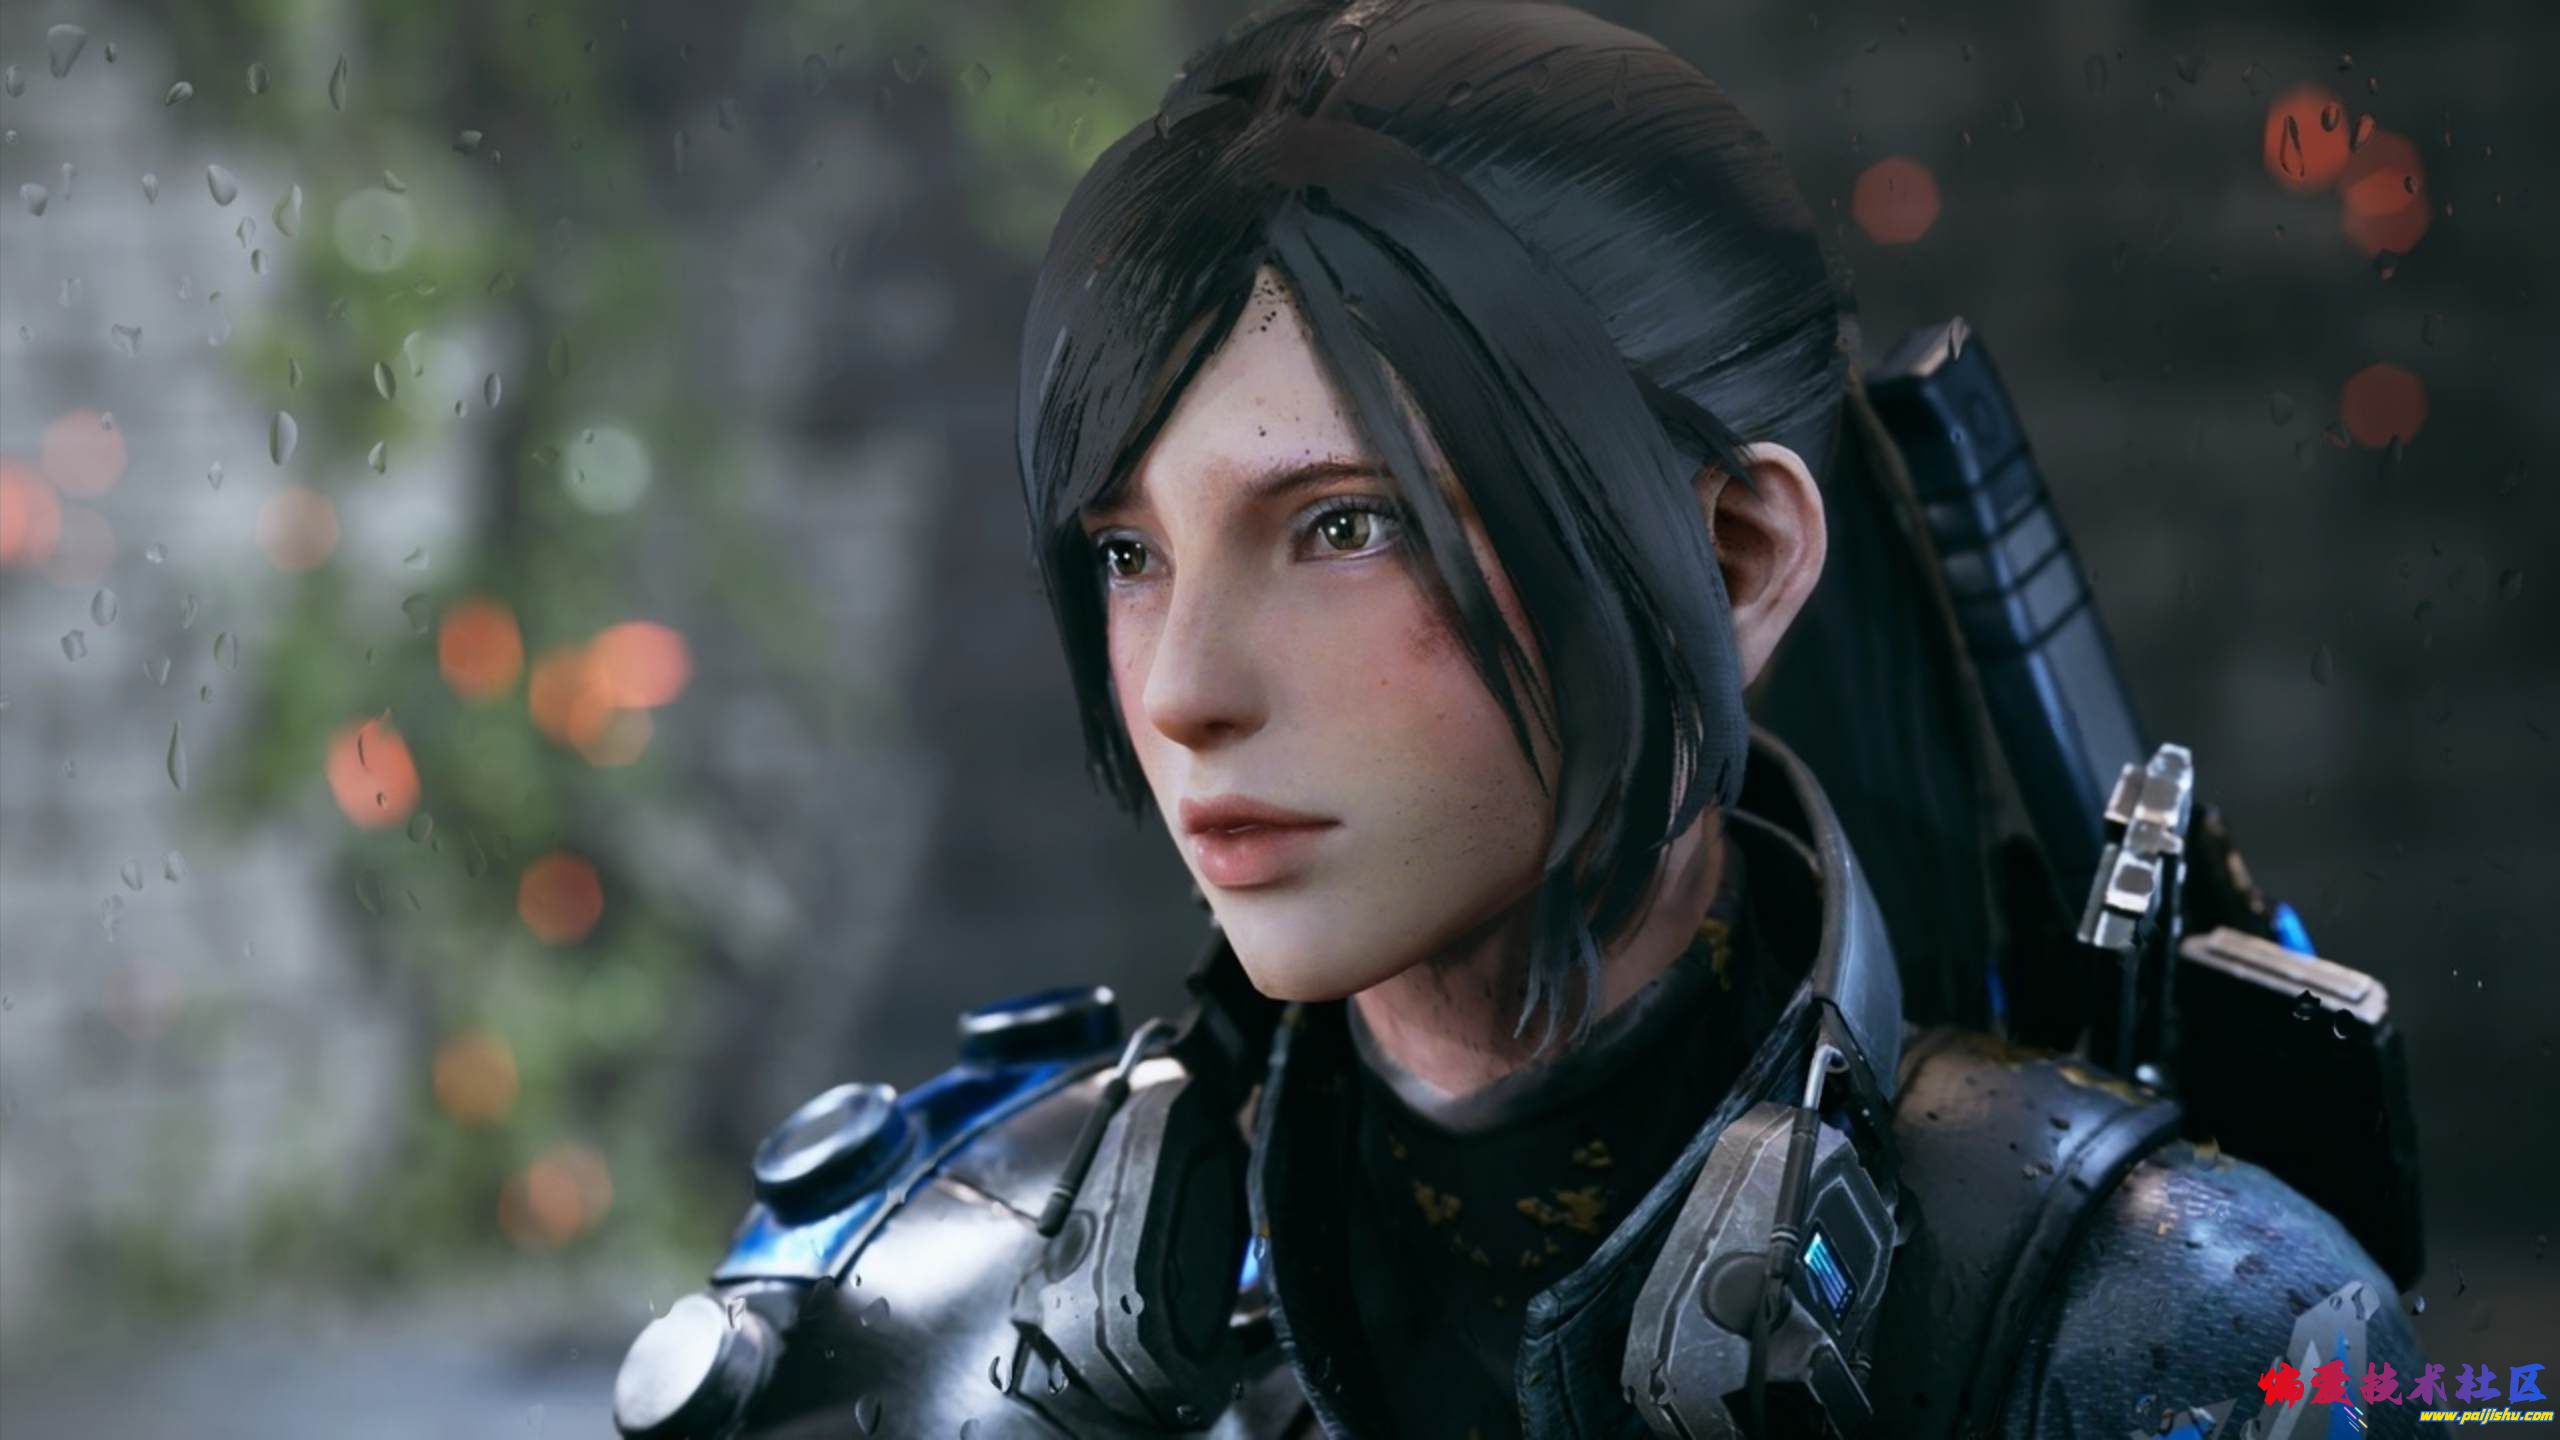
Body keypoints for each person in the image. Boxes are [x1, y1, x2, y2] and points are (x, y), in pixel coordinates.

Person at [609, 3, 2440, 1437]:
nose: (1180, 692)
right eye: (1129, 554)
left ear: (1733, 559)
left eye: (1344, 527)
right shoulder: (957, 1294)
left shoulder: (2166, 1335)